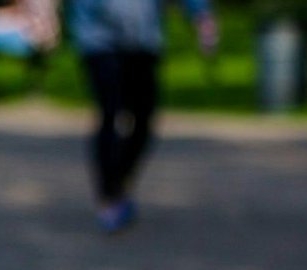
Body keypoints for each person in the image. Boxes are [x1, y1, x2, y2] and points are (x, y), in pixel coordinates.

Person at [69, 0, 219, 233]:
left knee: (144, 119)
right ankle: (109, 197)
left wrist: (201, 16)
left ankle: (119, 183)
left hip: (143, 40)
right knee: (110, 112)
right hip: (98, 39)